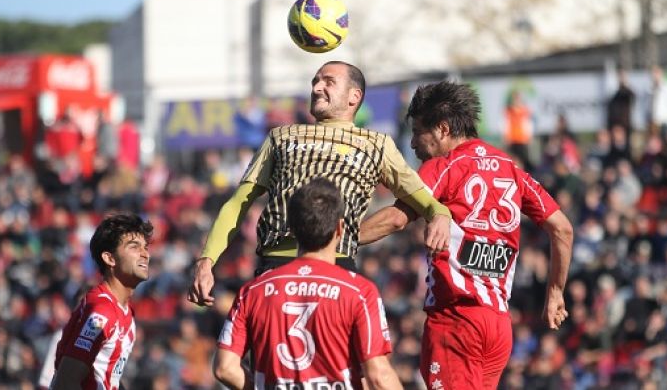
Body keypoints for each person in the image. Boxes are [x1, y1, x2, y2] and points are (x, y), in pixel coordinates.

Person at [360, 81, 573, 390]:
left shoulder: (444, 166)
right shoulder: (509, 167)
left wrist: (338, 239)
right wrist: (555, 291)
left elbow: (395, 219)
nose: (415, 145)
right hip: (498, 326)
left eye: (419, 132)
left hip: (455, 321)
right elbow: (563, 228)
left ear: (442, 129)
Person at [188, 60, 451, 306]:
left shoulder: (377, 144)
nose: (316, 88)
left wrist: (439, 214)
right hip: (277, 265)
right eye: (315, 81)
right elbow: (238, 204)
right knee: (266, 355)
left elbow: (425, 201)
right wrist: (206, 260)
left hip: (335, 266)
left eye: (328, 81)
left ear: (354, 96)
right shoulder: (281, 136)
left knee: (333, 356)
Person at [213, 178, 402, 390]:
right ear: (340, 229)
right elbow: (379, 375)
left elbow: (224, 367)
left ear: (292, 230)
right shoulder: (359, 292)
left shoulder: (253, 291)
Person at [49, 212, 153, 390]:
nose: (145, 254)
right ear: (109, 258)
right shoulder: (102, 311)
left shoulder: (125, 313)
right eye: (134, 247)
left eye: (145, 247)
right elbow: (66, 382)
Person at [504, 89, 534, 171]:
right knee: (513, 159)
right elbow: (506, 124)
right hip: (512, 139)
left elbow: (528, 124)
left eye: (518, 98)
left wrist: (529, 136)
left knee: (524, 159)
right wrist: (506, 137)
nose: (517, 100)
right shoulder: (509, 111)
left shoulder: (525, 110)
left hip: (523, 139)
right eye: (515, 98)